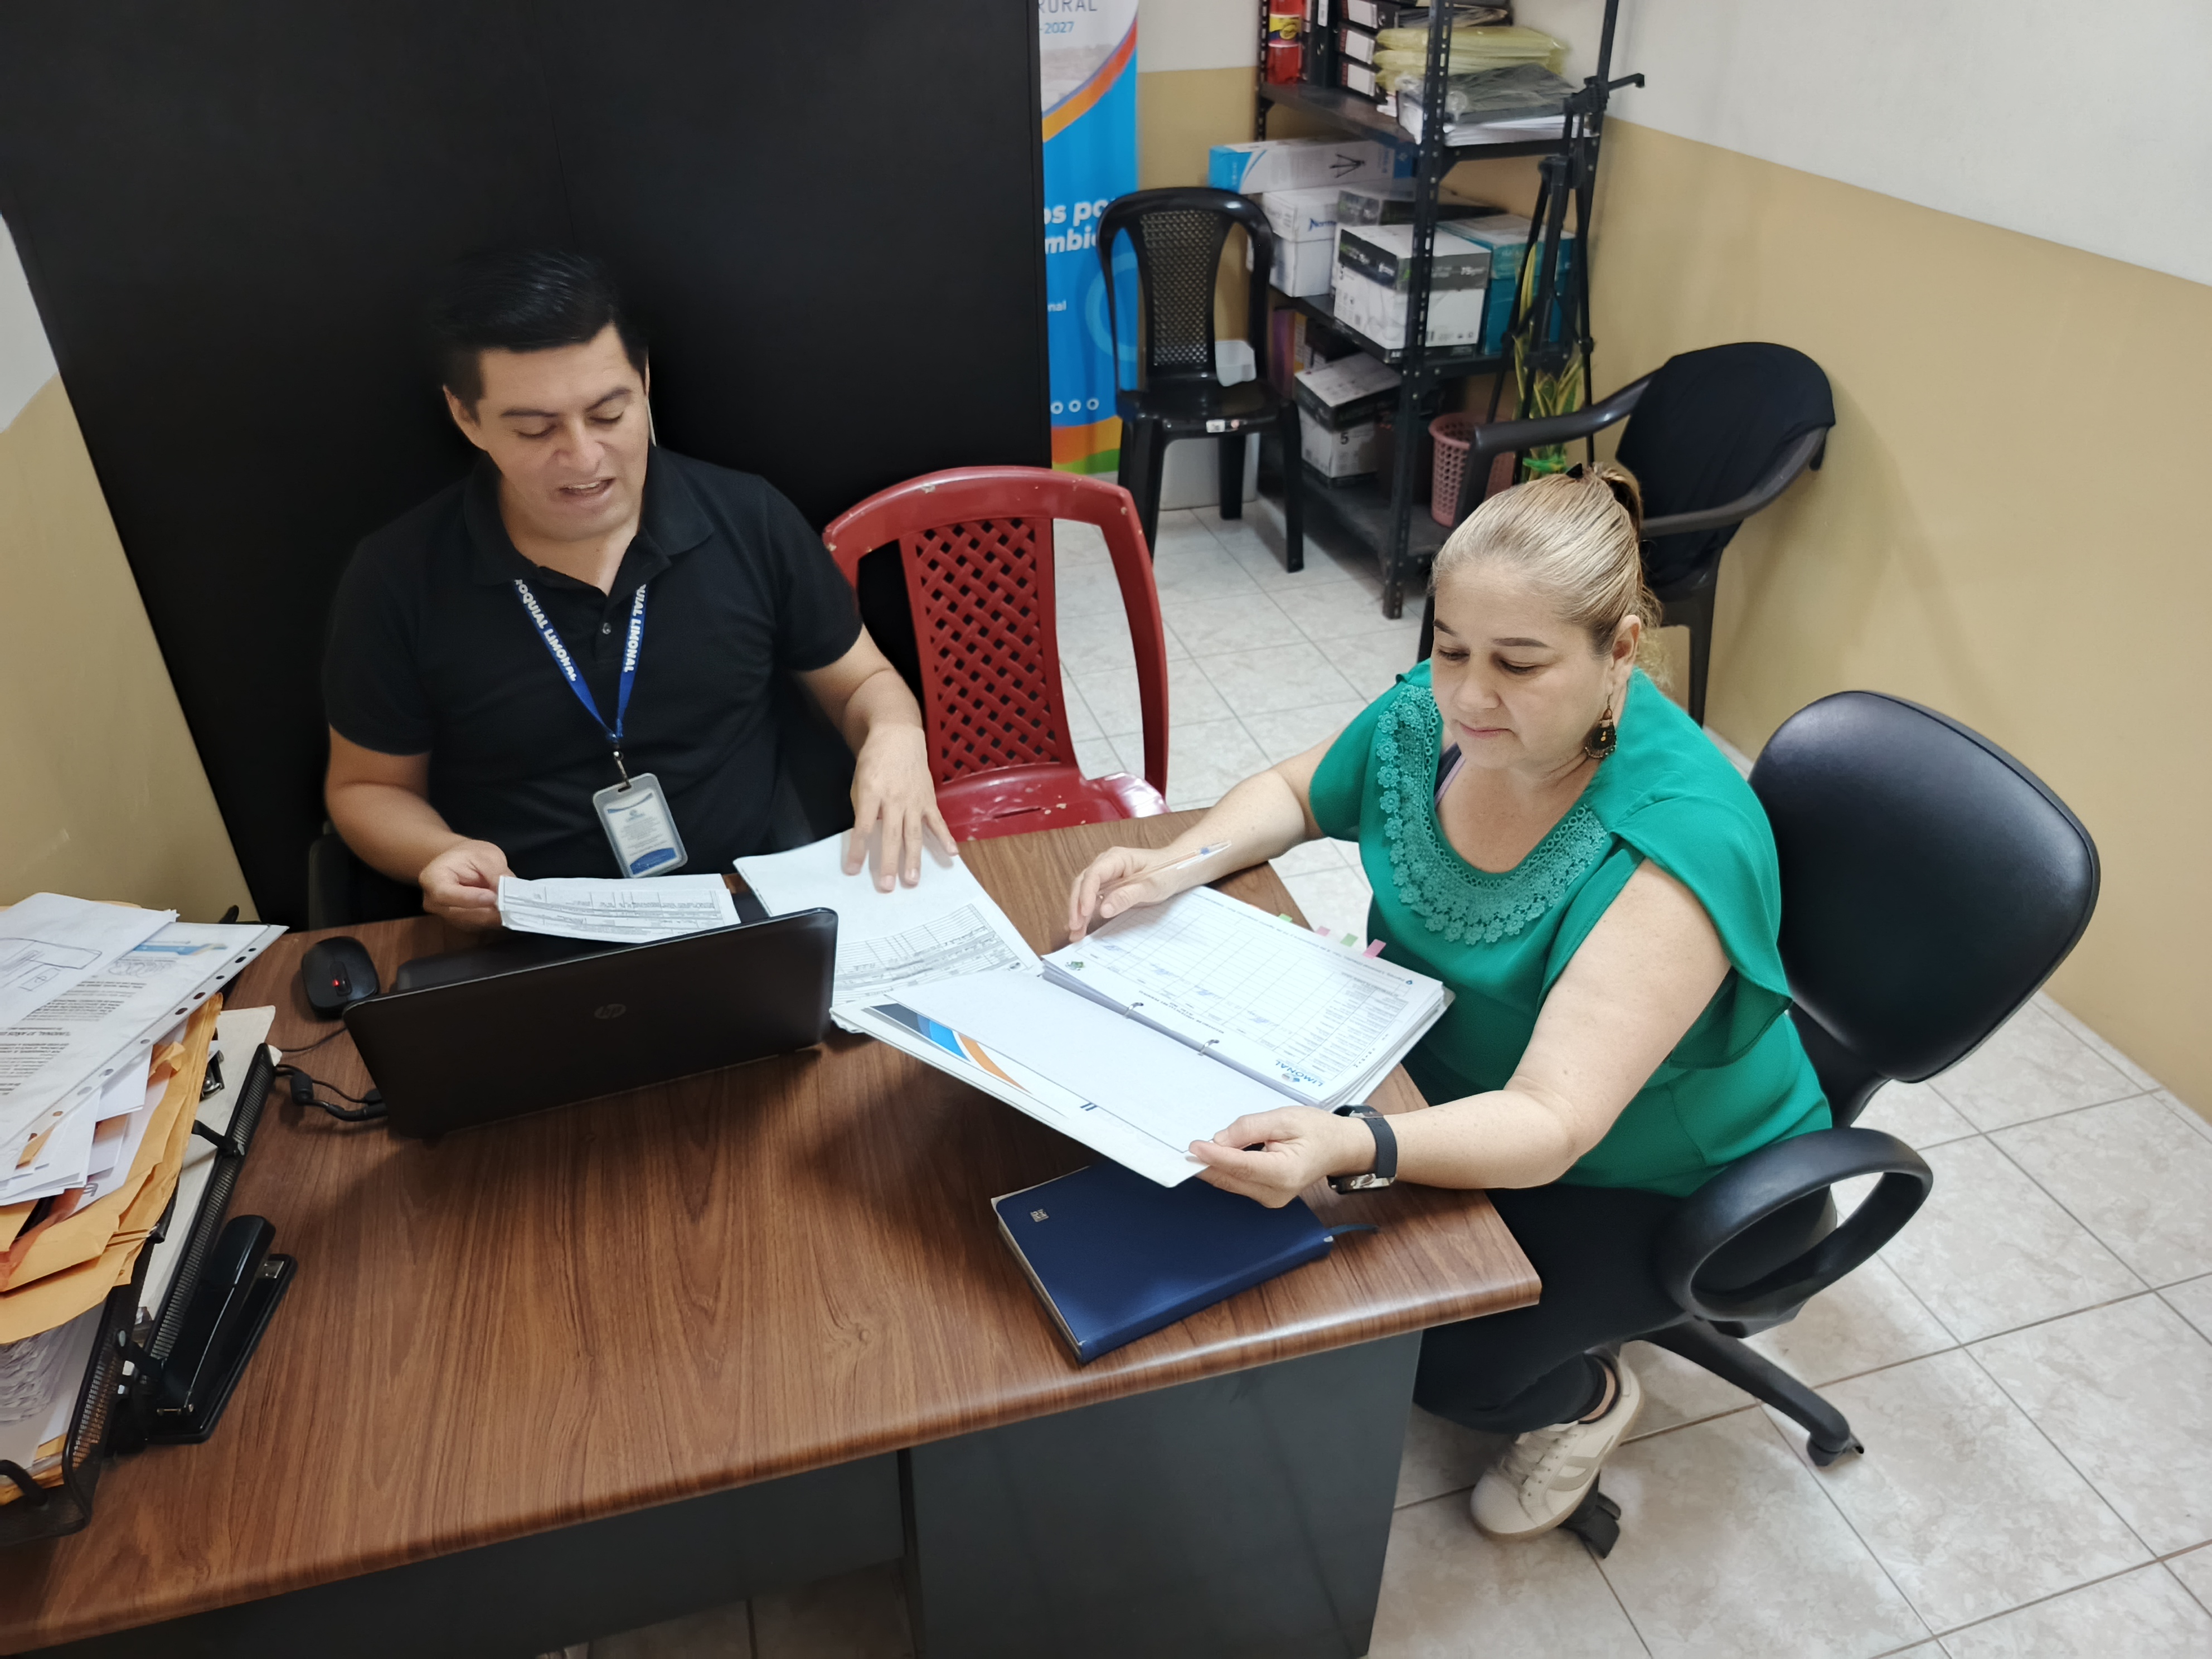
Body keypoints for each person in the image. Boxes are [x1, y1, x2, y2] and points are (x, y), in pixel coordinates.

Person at [1063, 465, 1829, 1541]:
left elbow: (1552, 1122)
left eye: (1518, 663)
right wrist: (1175, 862)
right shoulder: (1438, 718)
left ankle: (1589, 1400)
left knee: (1442, 1359)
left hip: (1649, 1171)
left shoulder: (1673, 841)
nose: (1468, 698)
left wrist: (1357, 1144)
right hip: (1446, 1079)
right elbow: (1296, 791)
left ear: (1619, 651)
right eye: (1452, 647)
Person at [322, 249, 948, 927]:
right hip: (529, 924)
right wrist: (438, 854)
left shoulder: (748, 519)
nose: (583, 458)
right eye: (534, 430)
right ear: (466, 417)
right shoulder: (398, 577)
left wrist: (895, 732)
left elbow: (861, 684)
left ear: (644, 380)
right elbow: (367, 787)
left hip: (746, 902)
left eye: (608, 415)